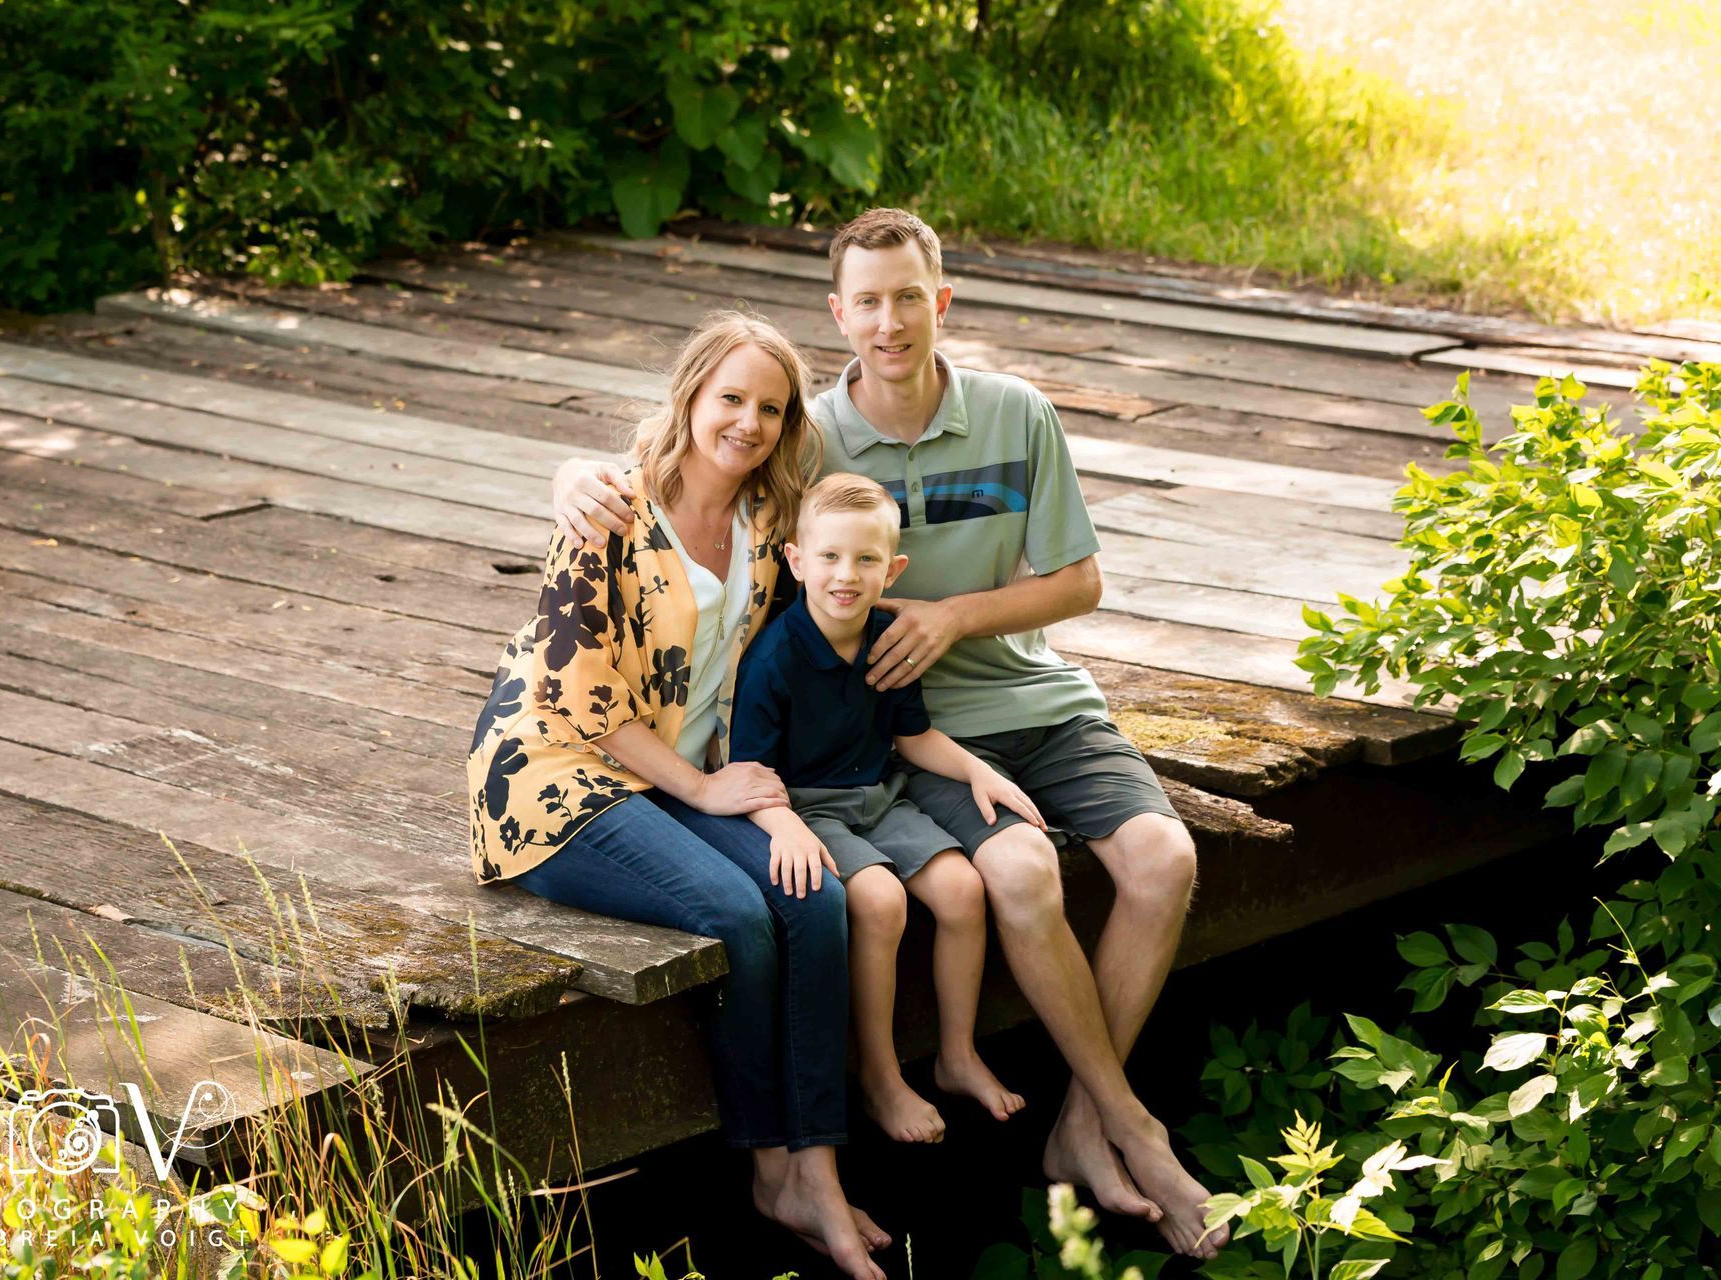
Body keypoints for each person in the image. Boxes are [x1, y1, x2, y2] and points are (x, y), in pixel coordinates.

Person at [549, 209, 1229, 1258]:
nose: (890, 320)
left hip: (1036, 703)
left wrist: (953, 615)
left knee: (1164, 855)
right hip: (915, 731)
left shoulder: (1017, 414)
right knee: (1003, 879)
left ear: (941, 300)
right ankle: (1125, 1125)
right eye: (867, 300)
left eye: (908, 295)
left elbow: (1082, 579)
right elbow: (697, 468)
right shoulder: (808, 435)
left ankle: (1090, 1124)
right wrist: (567, 482)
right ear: (839, 315)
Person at [468, 312, 892, 1280]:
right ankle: (766, 1162)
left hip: (687, 773)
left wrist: (771, 803)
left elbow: (762, 677)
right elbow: (578, 702)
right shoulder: (610, 512)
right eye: (730, 398)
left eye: (770, 409)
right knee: (738, 911)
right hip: (556, 781)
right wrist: (705, 786)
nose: (747, 422)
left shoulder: (770, 528)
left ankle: (816, 1168)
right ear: (691, 397)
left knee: (816, 897)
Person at [730, 471, 1034, 1146]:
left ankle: (956, 1056)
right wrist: (781, 824)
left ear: (893, 567)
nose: (846, 575)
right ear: (797, 560)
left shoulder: (887, 636)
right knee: (880, 901)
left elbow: (911, 734)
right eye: (831, 557)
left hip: (879, 795)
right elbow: (748, 772)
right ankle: (880, 1074)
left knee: (961, 888)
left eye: (866, 560)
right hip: (807, 808)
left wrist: (978, 771)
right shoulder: (775, 659)